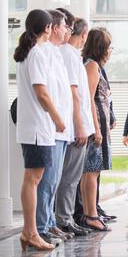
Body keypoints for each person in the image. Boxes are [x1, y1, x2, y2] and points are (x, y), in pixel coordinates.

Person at [14, 9, 62, 251]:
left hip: (34, 127)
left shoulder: (30, 53)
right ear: (47, 28)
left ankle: (29, 231)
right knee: (33, 179)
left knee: (33, 178)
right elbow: (41, 92)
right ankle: (30, 232)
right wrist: (58, 119)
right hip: (37, 128)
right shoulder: (36, 54)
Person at [36, 9, 75, 244]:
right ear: (53, 28)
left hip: (62, 128)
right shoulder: (43, 53)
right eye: (63, 26)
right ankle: (42, 226)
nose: (66, 30)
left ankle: (49, 223)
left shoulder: (57, 53)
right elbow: (46, 92)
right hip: (52, 127)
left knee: (55, 179)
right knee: (48, 180)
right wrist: (58, 119)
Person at [55, 17, 94, 236]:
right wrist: (80, 126)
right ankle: (64, 219)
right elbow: (74, 94)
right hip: (76, 126)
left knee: (70, 177)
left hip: (77, 124)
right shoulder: (69, 55)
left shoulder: (71, 55)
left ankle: (65, 218)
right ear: (84, 34)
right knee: (69, 177)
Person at [79, 27, 113, 231]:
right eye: (109, 47)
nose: (110, 51)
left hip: (99, 125)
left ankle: (90, 213)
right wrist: (96, 129)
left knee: (91, 171)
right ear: (102, 47)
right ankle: (90, 215)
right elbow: (89, 99)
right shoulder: (91, 67)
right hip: (95, 127)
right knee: (91, 171)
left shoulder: (94, 66)